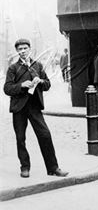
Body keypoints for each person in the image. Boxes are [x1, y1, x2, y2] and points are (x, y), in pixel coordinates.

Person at [3, 38, 68, 178]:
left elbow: (48, 85)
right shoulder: (13, 68)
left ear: (30, 49)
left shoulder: (37, 65)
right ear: (17, 52)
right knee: (21, 138)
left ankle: (53, 168)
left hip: (34, 107)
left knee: (45, 135)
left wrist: (40, 81)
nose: (23, 51)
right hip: (19, 108)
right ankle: (25, 167)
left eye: (25, 48)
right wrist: (22, 85)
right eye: (20, 49)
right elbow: (7, 88)